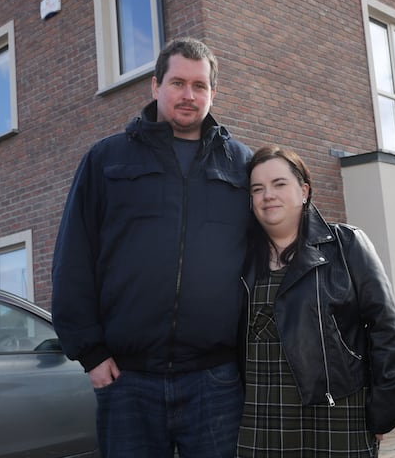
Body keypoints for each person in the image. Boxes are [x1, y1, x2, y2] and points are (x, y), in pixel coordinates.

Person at [51, 37, 252, 458]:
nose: (188, 95)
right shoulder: (106, 159)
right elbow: (73, 257)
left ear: (213, 93)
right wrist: (90, 352)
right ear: (155, 86)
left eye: (200, 86)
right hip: (127, 377)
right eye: (178, 82)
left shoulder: (241, 165)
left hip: (215, 380)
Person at [236, 145, 395, 457]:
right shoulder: (239, 260)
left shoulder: (348, 245)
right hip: (259, 417)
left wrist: (386, 407)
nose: (267, 195)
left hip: (338, 412)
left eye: (279, 184)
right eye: (257, 189)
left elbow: (385, 328)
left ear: (303, 191)